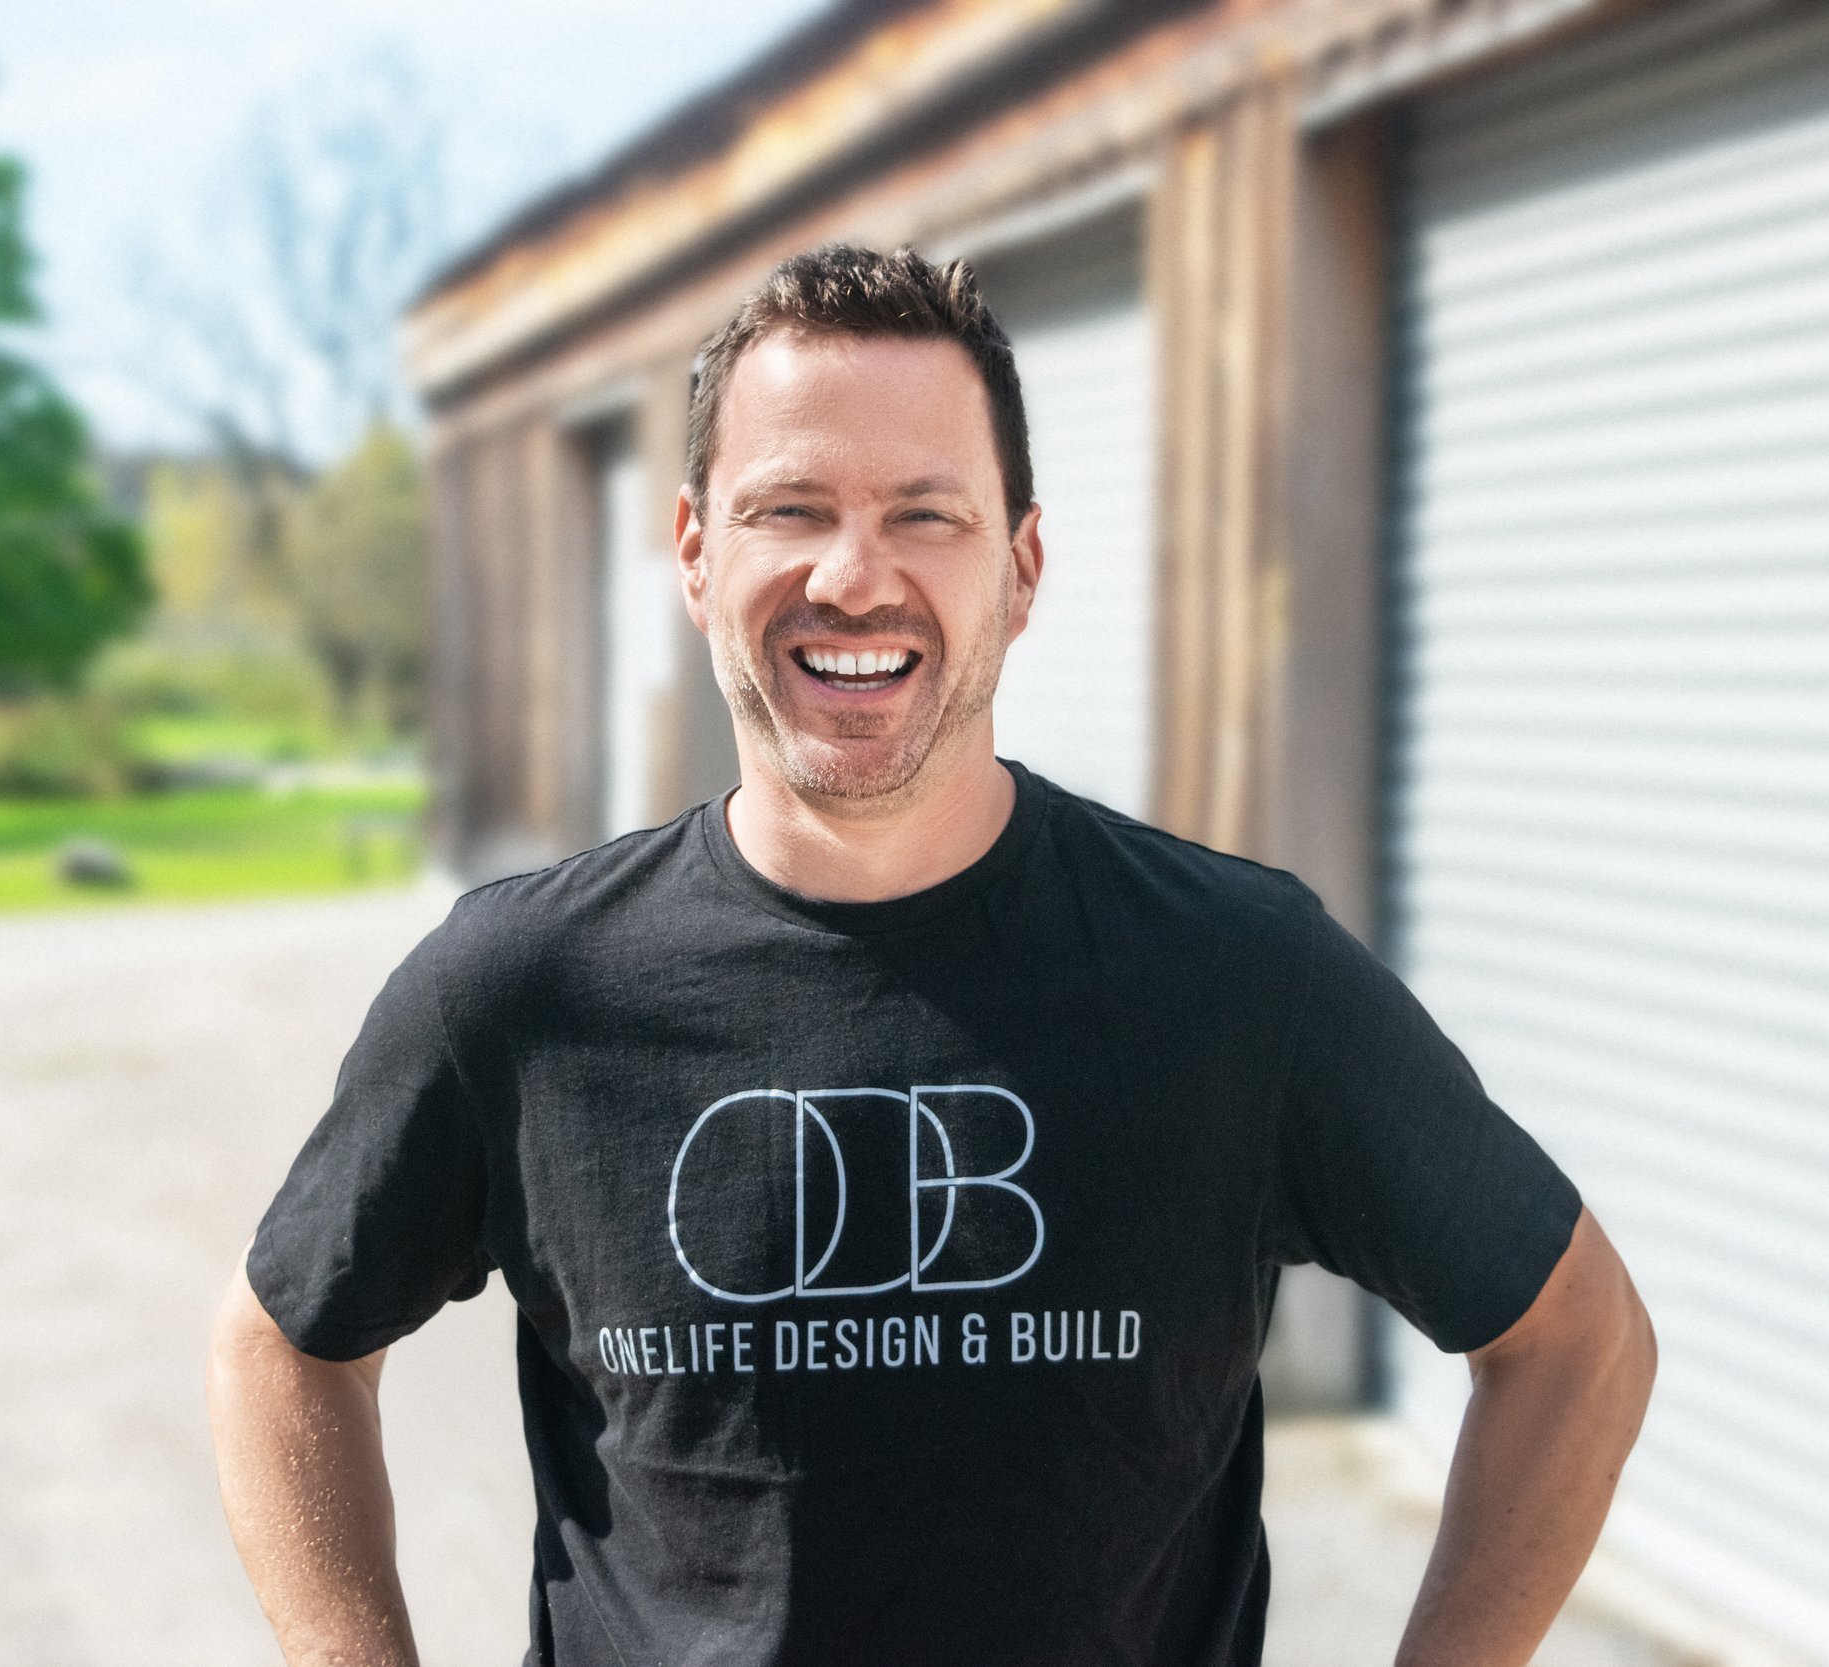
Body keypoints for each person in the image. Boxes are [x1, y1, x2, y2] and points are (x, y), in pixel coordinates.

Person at [208, 243, 1656, 1667]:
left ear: (1020, 568)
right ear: (698, 554)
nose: (855, 574)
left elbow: (1576, 1344)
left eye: (926, 514)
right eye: (791, 508)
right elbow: (282, 1349)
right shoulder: (525, 991)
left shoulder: (1235, 977)